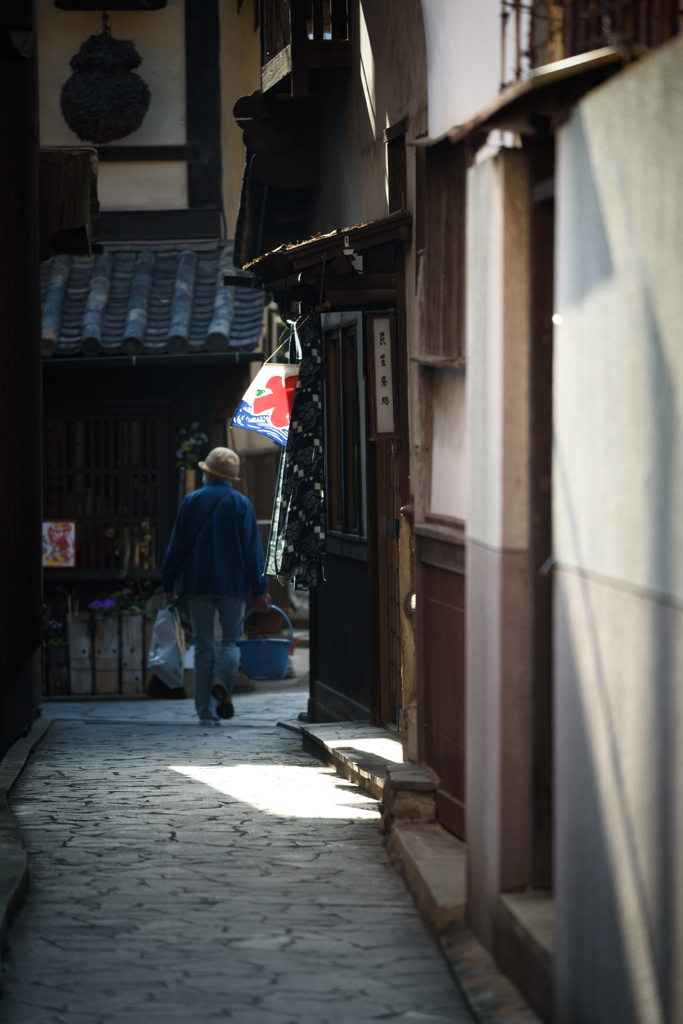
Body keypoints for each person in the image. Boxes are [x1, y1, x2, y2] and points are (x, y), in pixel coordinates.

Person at [160, 446, 271, 725]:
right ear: (230, 478)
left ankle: (207, 714)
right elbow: (252, 552)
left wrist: (168, 582)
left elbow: (177, 548)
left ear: (207, 473)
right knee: (231, 641)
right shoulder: (241, 504)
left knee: (204, 647)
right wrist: (260, 589)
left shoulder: (191, 502)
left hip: (197, 583)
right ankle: (222, 682)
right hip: (233, 585)